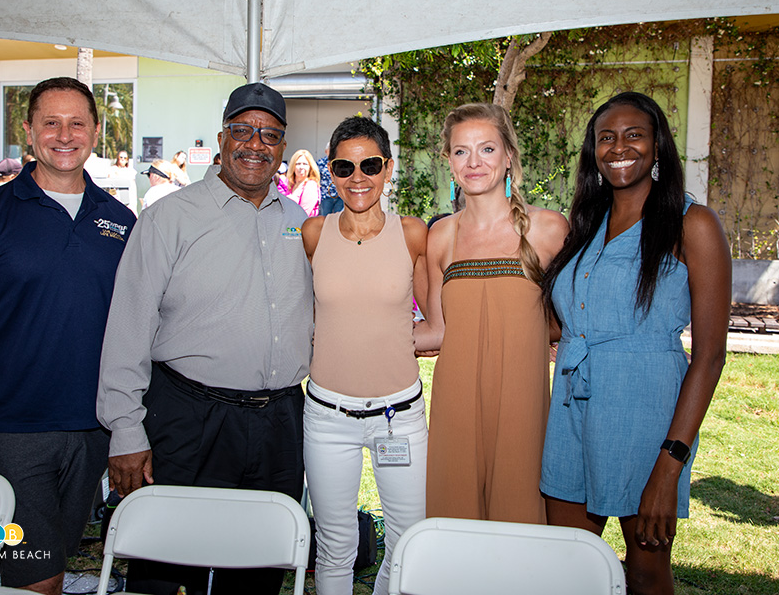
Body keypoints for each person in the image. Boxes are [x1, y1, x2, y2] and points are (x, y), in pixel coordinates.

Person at [97, 82, 313, 595]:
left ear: (282, 148)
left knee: (259, 568)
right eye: (242, 130)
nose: (254, 144)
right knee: (163, 568)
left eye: (269, 135)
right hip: (188, 419)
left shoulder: (301, 225)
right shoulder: (168, 218)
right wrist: (126, 431)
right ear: (222, 138)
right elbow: (128, 328)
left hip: (280, 423)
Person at [0, 76, 136, 595]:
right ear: (28, 132)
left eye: (77, 123)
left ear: (95, 131)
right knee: (37, 578)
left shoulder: (122, 221)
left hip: (93, 434)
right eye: (50, 122)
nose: (64, 135)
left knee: (50, 566)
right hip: (12, 434)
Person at [539, 92, 730, 595]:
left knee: (645, 570)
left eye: (634, 135)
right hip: (570, 412)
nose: (619, 147)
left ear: (658, 147)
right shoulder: (585, 225)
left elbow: (709, 356)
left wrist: (670, 463)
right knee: (570, 567)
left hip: (643, 418)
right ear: (593, 152)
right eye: (606, 138)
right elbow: (564, 321)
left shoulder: (693, 224)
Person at [415, 102, 569, 524]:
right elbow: (436, 330)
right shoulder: (440, 235)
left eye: (487, 149)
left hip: (524, 408)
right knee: (455, 525)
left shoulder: (550, 229)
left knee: (520, 526)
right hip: (455, 409)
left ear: (509, 158)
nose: (474, 162)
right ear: (448, 161)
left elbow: (570, 322)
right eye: (461, 151)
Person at [302, 116, 428, 595]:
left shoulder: (413, 233)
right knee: (334, 544)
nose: (358, 177)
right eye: (344, 166)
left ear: (388, 168)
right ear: (331, 172)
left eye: (370, 165)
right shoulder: (313, 234)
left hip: (399, 416)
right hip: (327, 415)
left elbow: (435, 322)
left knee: (407, 538)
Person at [286, 148, 320, 216]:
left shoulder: (310, 185)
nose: (301, 167)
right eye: (298, 164)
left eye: (305, 164)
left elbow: (304, 214)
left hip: (301, 225)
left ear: (310, 167)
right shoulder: (291, 184)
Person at [317, 143, 343, 215]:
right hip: (326, 196)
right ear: (326, 151)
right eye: (330, 150)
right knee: (325, 218)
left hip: (339, 196)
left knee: (339, 217)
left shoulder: (340, 163)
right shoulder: (320, 163)